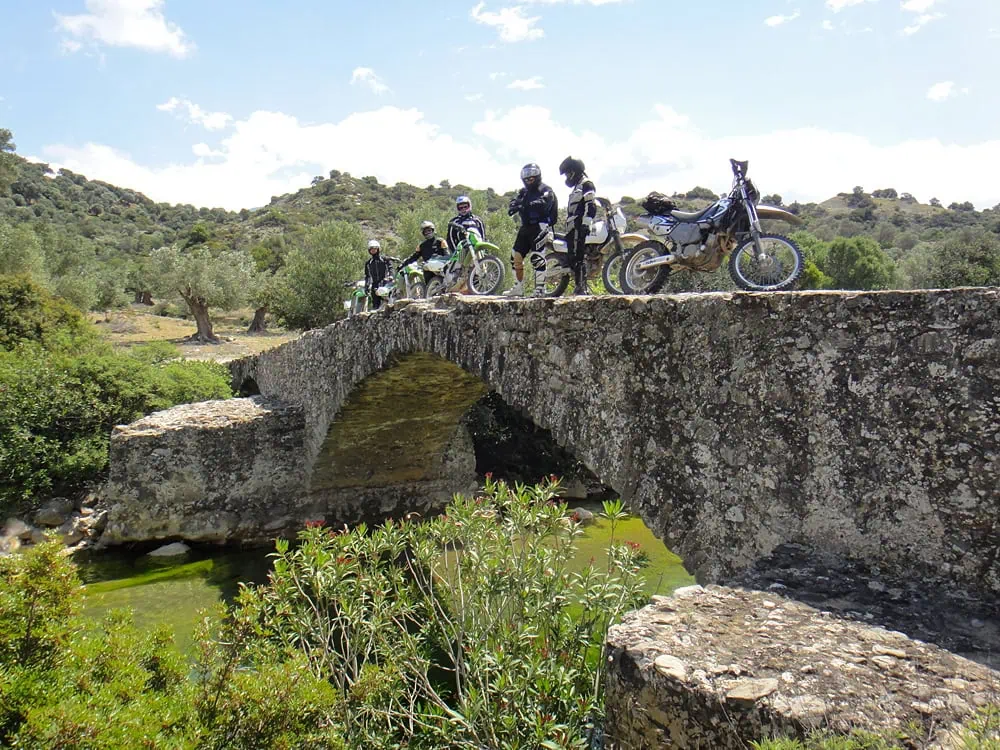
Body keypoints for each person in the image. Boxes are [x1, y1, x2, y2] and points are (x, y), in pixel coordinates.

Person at [505, 163, 558, 297]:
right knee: (515, 256)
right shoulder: (524, 192)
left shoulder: (545, 189)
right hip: (525, 227)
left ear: (538, 174)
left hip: (540, 226)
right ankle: (518, 287)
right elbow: (515, 201)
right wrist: (513, 205)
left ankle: (541, 288)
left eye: (531, 174)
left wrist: (526, 205)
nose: (529, 178)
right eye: (526, 175)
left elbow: (545, 202)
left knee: (537, 256)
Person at [559, 156, 597, 295]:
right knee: (572, 257)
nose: (568, 177)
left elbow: (591, 205)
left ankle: (581, 287)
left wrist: (586, 223)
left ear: (575, 171)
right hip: (572, 227)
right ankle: (578, 286)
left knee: (579, 255)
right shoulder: (576, 187)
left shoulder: (586, 184)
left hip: (579, 225)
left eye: (568, 173)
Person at [399, 220, 451, 289]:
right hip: (428, 269)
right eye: (425, 232)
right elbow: (413, 257)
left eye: (429, 230)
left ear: (433, 230)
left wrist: (447, 262)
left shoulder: (440, 241)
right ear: (423, 233)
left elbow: (447, 254)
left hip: (440, 267)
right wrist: (402, 265)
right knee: (428, 287)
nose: (427, 233)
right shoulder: (421, 246)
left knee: (448, 281)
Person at [364, 239, 392, 310]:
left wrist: (391, 275)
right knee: (375, 305)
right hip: (375, 284)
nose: (373, 250)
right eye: (371, 249)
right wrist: (366, 286)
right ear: (369, 251)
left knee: (388, 301)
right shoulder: (368, 263)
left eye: (375, 249)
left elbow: (390, 268)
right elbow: (367, 276)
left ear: (378, 249)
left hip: (385, 282)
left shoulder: (384, 259)